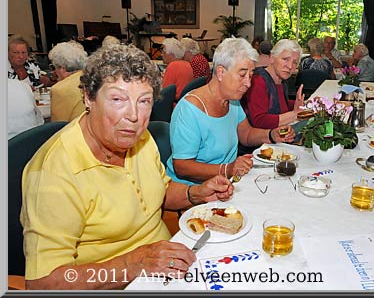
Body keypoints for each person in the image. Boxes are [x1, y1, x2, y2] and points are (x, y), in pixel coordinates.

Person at [21, 43, 233, 290]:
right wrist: (134, 264)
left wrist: (194, 193)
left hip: (166, 265)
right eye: (118, 99)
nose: (134, 116)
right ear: (88, 98)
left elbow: (159, 190)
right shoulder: (55, 172)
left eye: (144, 101)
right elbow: (43, 283)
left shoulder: (138, 138)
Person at [166, 38, 296, 186]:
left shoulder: (232, 100)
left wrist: (271, 135)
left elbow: (246, 134)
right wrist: (227, 169)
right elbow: (182, 166)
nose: (248, 83)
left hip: (226, 181)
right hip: (193, 191)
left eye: (251, 75)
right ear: (221, 72)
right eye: (242, 75)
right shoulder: (190, 109)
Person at [242, 39, 305, 129]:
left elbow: (281, 105)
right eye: (285, 59)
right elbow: (259, 121)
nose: (290, 66)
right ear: (272, 58)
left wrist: (307, 104)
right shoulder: (258, 81)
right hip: (262, 141)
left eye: (294, 62)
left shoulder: (281, 80)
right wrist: (295, 114)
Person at [48, 41, 89, 121]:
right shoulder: (92, 77)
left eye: (54, 67)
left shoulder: (59, 89)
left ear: (62, 68)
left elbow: (59, 125)